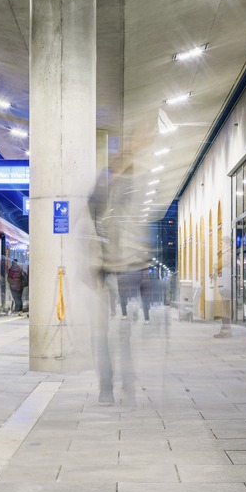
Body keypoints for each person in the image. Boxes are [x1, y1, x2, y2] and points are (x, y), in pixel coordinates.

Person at [89, 160, 153, 403]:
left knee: (105, 336)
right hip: (119, 275)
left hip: (111, 275)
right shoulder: (118, 205)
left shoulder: (105, 204)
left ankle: (109, 389)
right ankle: (125, 388)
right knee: (119, 337)